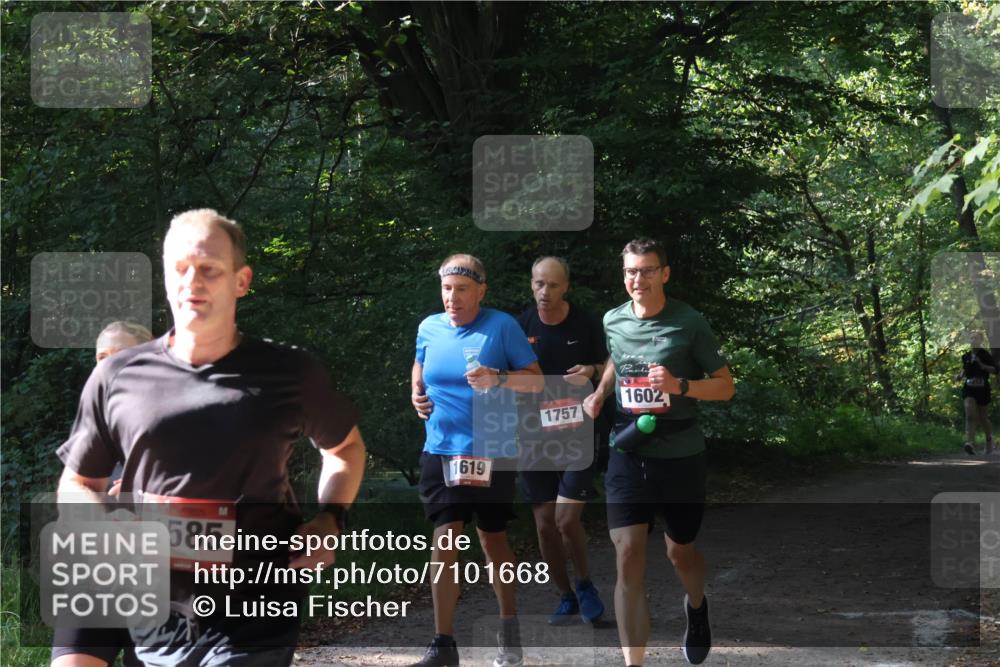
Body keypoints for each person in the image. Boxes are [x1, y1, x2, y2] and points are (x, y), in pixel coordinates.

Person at [55, 209, 365, 666]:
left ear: (242, 281)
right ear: (165, 279)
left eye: (209, 269)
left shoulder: (290, 372)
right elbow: (77, 484)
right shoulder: (116, 376)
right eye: (180, 269)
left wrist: (330, 518)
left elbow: (345, 450)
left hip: (258, 604)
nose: (192, 282)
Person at [582, 238, 734, 667]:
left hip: (680, 454)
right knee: (628, 554)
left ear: (664, 273)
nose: (638, 279)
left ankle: (696, 605)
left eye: (647, 270)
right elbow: (616, 358)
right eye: (631, 271)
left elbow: (725, 386)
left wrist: (679, 385)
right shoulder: (613, 319)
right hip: (628, 450)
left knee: (679, 551)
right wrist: (600, 393)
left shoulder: (689, 322)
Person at [410, 254, 543, 667]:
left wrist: (498, 377)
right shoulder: (429, 327)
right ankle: (442, 644)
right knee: (445, 538)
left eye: (462, 289)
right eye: (447, 288)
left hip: (491, 449)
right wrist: (415, 391)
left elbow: (536, 380)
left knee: (492, 539)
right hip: (441, 448)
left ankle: (508, 629)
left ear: (481, 291)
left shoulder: (501, 326)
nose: (452, 297)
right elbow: (420, 363)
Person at [50, 322, 153, 667]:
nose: (108, 365)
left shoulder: (182, 417)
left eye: (120, 355)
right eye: (101, 357)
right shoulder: (94, 421)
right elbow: (70, 494)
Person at [515, 257, 607, 625]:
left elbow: (611, 366)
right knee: (544, 525)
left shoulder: (586, 322)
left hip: (577, 434)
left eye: (553, 285)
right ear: (531, 284)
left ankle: (585, 585)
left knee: (566, 519)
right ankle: (565, 595)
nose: (545, 292)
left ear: (566, 286)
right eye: (539, 283)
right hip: (533, 437)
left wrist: (592, 370)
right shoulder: (520, 326)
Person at [959, 331, 996, 456]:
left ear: (981, 341)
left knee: (982, 417)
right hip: (969, 388)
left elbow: (994, 370)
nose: (973, 340)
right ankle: (970, 443)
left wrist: (981, 364)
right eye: (971, 338)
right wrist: (959, 376)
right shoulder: (966, 356)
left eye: (976, 338)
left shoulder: (985, 355)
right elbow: (964, 370)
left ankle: (989, 439)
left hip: (982, 388)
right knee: (970, 415)